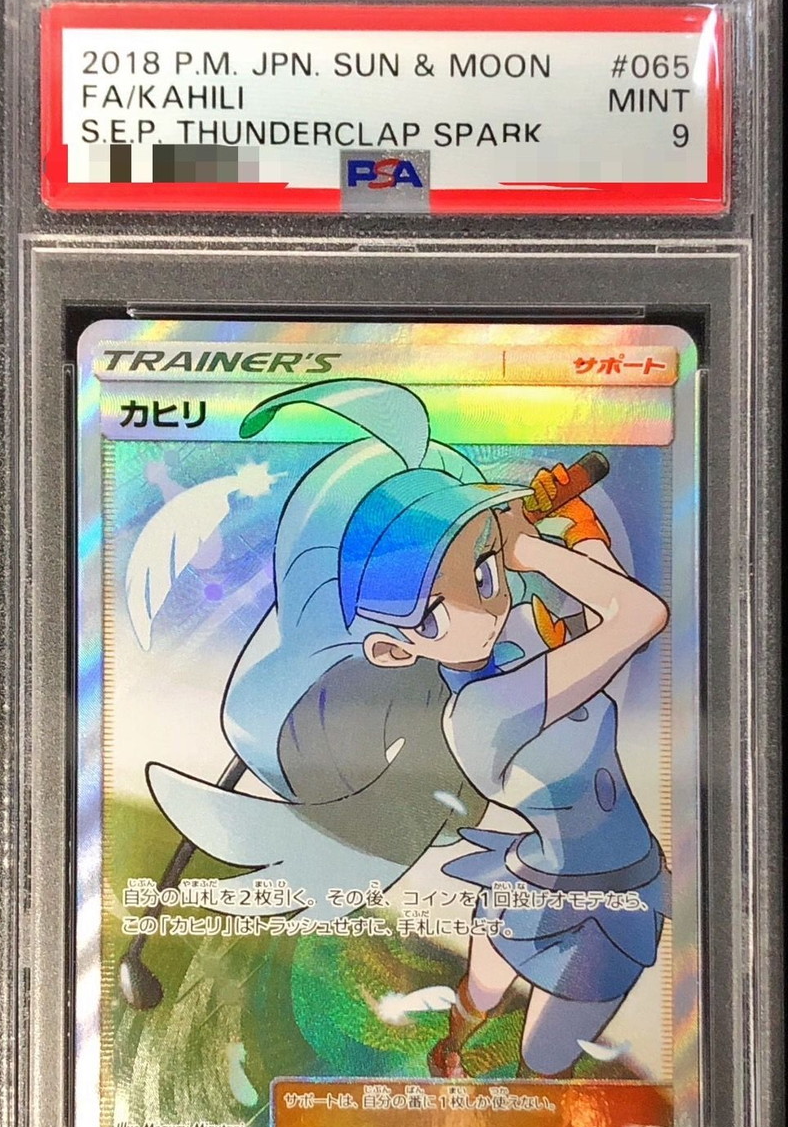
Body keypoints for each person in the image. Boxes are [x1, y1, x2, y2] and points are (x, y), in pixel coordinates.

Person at [147, 379, 669, 1077]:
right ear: (395, 650)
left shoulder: (515, 644)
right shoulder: (483, 715)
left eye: (482, 572)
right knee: (534, 1046)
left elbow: (597, 608)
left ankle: (454, 1047)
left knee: (530, 1038)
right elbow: (638, 616)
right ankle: (461, 1048)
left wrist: (571, 525)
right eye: (447, 601)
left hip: (586, 880)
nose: (488, 597)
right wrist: (533, 551)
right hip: (574, 886)